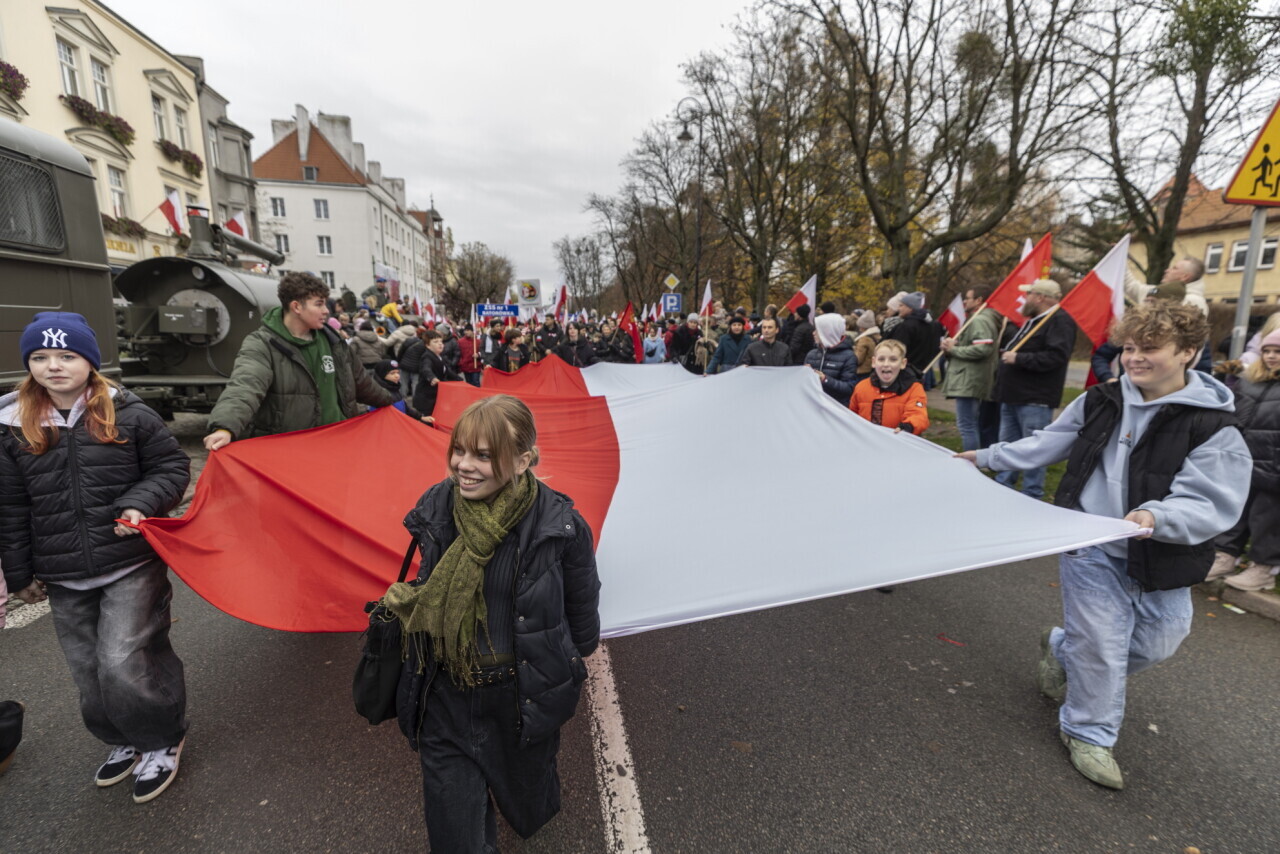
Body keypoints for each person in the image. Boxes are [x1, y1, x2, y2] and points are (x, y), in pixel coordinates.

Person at [959, 303, 1251, 791]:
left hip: (1162, 550)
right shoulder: (1101, 399)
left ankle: (1061, 648)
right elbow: (1047, 442)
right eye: (1129, 347)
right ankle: (1088, 733)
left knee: (1159, 641)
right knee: (1100, 645)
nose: (1134, 358)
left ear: (1188, 352)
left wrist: (1157, 517)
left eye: (1149, 348)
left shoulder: (1213, 425)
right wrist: (985, 456)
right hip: (1090, 541)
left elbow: (1210, 499)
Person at [387, 395, 601, 852]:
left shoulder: (561, 526)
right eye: (460, 450)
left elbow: (582, 615)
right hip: (445, 696)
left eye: (483, 455)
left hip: (518, 699)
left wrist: (563, 664)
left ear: (522, 461)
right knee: (456, 835)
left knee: (529, 800)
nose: (464, 466)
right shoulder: (438, 505)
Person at [0, 312, 192, 803]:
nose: (53, 366)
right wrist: (19, 574)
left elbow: (171, 467)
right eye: (40, 356)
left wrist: (139, 503)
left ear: (90, 361)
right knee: (88, 668)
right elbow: (11, 504)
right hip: (62, 573)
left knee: (122, 658)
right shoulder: (12, 426)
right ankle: (123, 738)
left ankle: (160, 740)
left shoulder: (129, 412)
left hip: (130, 562)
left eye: (67, 355)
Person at [203, 273, 397, 451]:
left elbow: (363, 384)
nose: (326, 311)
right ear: (296, 307)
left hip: (340, 445)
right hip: (291, 452)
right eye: (319, 304)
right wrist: (225, 427)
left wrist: (397, 404)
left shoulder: (333, 341)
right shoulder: (262, 344)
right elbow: (245, 386)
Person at [1206, 328, 1280, 591]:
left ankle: (1263, 568)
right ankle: (1225, 555)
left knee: (1266, 518)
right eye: (1267, 351)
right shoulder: (1250, 381)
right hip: (1245, 460)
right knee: (1236, 511)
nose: (1271, 356)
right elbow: (1237, 417)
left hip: (1274, 466)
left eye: (1278, 351)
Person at [990, 278, 1076, 499]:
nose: (1024, 298)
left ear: (1040, 297)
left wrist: (1019, 358)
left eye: (1028, 294)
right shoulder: (1034, 321)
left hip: (1034, 398)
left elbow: (1056, 357)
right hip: (1013, 395)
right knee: (1009, 446)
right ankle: (1003, 486)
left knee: (1034, 449)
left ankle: (1031, 493)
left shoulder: (1060, 321)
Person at [939, 287, 1000, 451]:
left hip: (969, 380)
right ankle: (974, 458)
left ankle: (970, 461)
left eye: (968, 298)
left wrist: (953, 349)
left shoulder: (979, 320)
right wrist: (955, 345)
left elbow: (983, 349)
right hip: (970, 378)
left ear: (979, 300)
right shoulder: (981, 319)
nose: (965, 301)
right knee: (970, 424)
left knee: (967, 425)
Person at [849, 339, 929, 434]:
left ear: (903, 363)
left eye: (893, 359)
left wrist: (908, 426)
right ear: (874, 362)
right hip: (866, 439)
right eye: (881, 359)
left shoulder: (914, 388)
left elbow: (918, 415)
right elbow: (852, 416)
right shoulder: (861, 387)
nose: (886, 364)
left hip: (897, 440)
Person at [804, 312, 859, 406]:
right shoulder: (811, 354)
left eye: (817, 330)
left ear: (828, 332)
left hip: (835, 408)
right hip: (813, 405)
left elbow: (849, 388)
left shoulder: (849, 356)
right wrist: (804, 374)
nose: (813, 333)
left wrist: (825, 379)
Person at [413, 330, 464, 418]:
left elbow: (447, 371)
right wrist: (432, 377)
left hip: (436, 396)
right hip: (426, 399)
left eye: (441, 341)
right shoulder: (427, 357)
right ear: (427, 345)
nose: (440, 344)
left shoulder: (440, 356)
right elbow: (426, 369)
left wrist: (461, 381)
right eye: (435, 342)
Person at [852, 309, 880, 383]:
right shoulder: (876, 337)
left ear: (863, 327)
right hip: (872, 370)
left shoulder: (864, 340)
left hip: (862, 371)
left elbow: (858, 359)